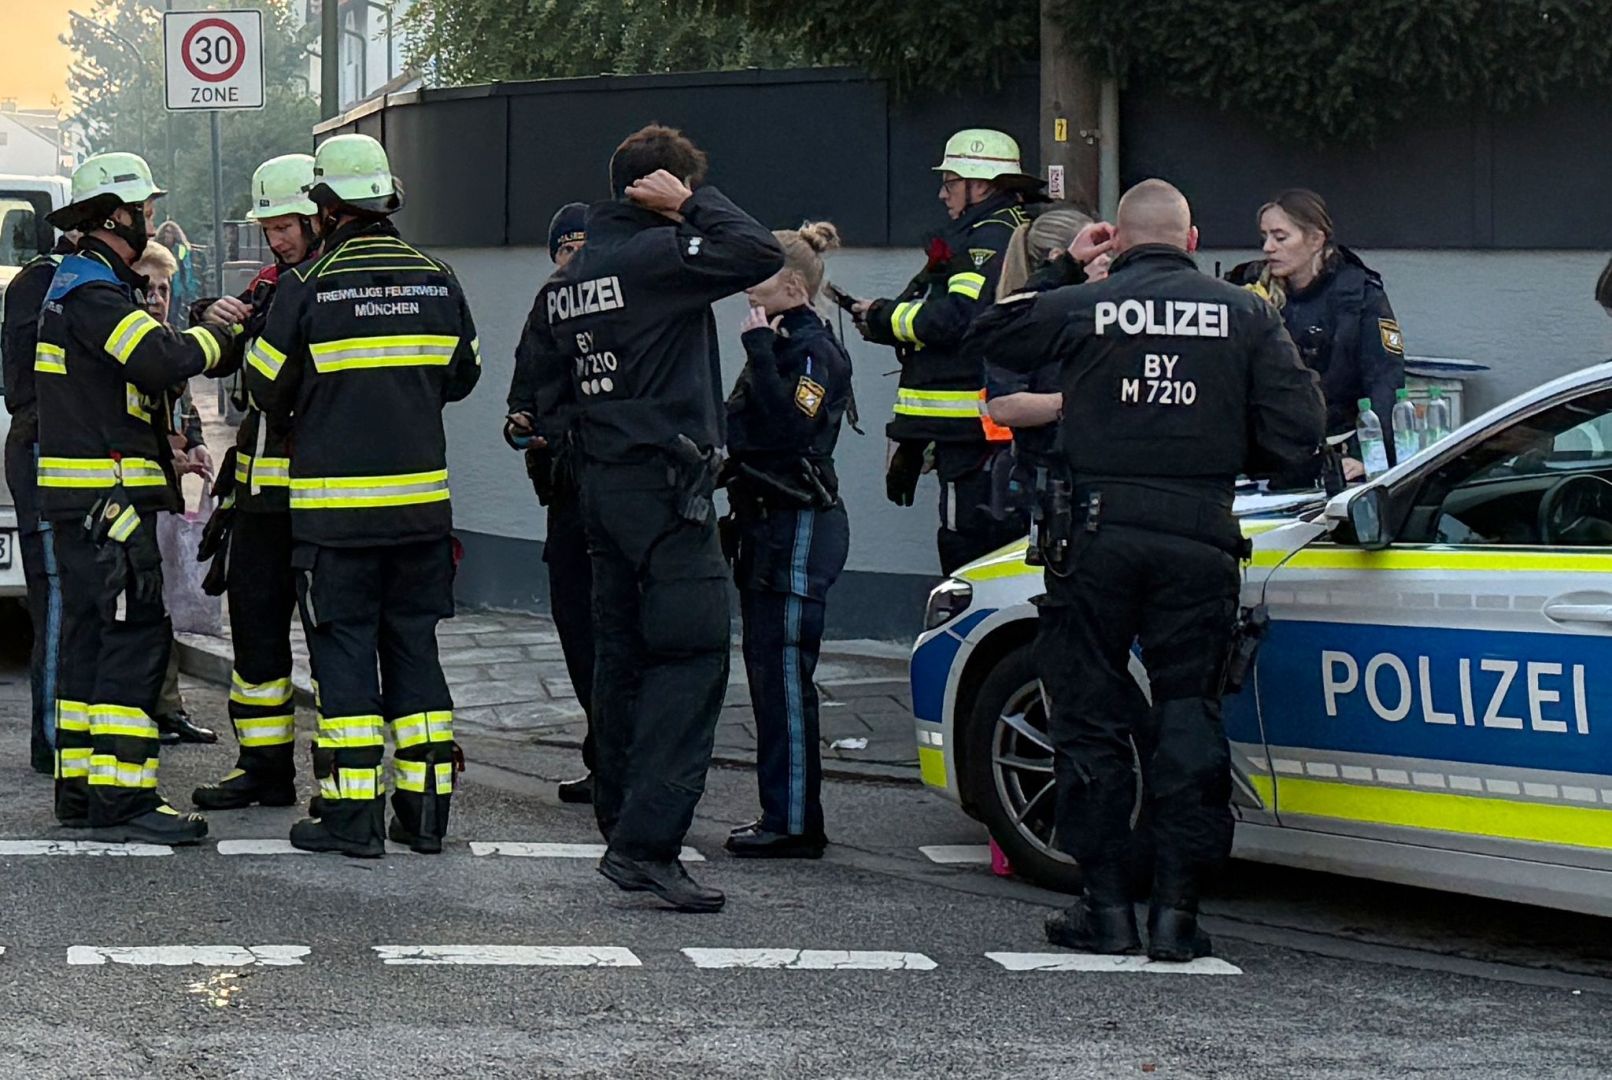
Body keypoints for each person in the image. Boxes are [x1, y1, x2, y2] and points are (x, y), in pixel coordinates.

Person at [966, 180, 1325, 961]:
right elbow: (1300, 431)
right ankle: (1177, 914)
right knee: (1188, 715)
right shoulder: (1248, 312)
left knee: (1089, 717)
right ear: (1191, 239)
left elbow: (985, 334)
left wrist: (1064, 267)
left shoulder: (1085, 303)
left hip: (1093, 537)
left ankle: (1105, 908)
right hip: (1198, 533)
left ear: (1117, 240)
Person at [516, 124, 783, 912]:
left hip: (598, 495)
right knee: (692, 657)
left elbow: (534, 398)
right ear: (658, 190)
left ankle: (618, 818)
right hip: (668, 495)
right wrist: (695, 204)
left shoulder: (563, 283)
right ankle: (649, 844)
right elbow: (758, 254)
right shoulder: (661, 256)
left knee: (621, 657)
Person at [246, 134, 480, 858]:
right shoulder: (436, 278)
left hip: (335, 522)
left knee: (344, 655)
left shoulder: (307, 288)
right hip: (419, 517)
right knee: (414, 649)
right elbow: (463, 374)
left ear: (324, 205)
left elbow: (261, 385)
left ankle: (353, 819)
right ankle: (426, 815)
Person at [34, 152, 238, 843]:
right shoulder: (94, 292)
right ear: (117, 215)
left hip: (87, 504)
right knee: (133, 636)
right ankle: (124, 798)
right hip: (110, 504)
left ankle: (84, 790)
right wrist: (223, 333)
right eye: (144, 209)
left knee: (92, 640)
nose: (150, 219)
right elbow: (158, 361)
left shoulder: (77, 287)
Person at [190, 154, 322, 810]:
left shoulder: (330, 287)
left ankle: (346, 785)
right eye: (269, 227)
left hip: (324, 500)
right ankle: (264, 769)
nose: (278, 238)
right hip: (261, 501)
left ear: (321, 213)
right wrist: (206, 311)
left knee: (334, 645)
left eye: (289, 224)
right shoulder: (272, 287)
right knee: (256, 638)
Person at [849, 128, 1037, 574]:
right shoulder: (995, 231)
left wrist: (881, 316)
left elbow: (956, 319)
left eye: (950, 182)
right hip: (970, 436)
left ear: (983, 185)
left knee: (969, 561)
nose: (941, 193)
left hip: (976, 440)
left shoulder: (986, 240)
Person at [722, 221, 853, 860]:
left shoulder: (812, 352)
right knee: (769, 672)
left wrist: (753, 349)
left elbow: (788, 429)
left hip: (799, 522)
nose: (750, 289)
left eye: (762, 277)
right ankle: (785, 811)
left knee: (784, 675)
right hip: (769, 522)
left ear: (794, 286)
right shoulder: (782, 342)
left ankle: (795, 821)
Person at [506, 201, 597, 805]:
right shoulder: (545, 312)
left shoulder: (616, 310)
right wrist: (520, 425)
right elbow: (522, 393)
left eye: (583, 249)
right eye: (565, 251)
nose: (573, 262)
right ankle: (603, 756)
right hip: (564, 496)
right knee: (579, 632)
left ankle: (623, 760)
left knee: (613, 631)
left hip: (612, 495)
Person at [1226, 189, 1405, 474]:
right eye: (1265, 237)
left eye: (1280, 237)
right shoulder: (1246, 289)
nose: (1268, 247)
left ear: (1315, 240)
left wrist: (1366, 455)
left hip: (1337, 450)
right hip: (1263, 456)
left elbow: (1386, 379)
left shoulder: (1359, 295)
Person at [129, 238, 219, 746]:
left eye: (164, 288)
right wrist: (169, 452)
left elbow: (187, 414)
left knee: (161, 609)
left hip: (163, 497)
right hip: (134, 498)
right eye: (148, 288)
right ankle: (150, 709)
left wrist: (200, 446)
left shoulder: (170, 342)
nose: (158, 297)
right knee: (142, 609)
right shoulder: (131, 346)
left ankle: (169, 708)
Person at [2, 230, 75, 775]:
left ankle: (61, 730)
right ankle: (51, 737)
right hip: (42, 446)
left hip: (42, 445)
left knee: (59, 596)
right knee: (53, 594)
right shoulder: (54, 283)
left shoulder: (41, 280)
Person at [154, 221, 201, 327]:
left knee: (174, 315)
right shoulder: (157, 248)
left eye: (170, 232)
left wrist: (189, 290)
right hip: (160, 286)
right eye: (165, 232)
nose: (167, 235)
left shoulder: (181, 249)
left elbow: (187, 269)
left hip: (176, 287)